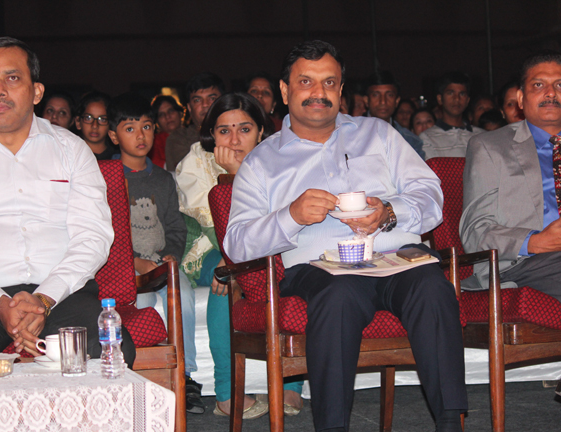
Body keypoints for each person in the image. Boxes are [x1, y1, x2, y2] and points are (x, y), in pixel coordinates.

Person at [224, 40, 466, 432]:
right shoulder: (262, 160)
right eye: (306, 81)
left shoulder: (379, 134)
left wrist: (389, 211)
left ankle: (451, 422)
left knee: (431, 285)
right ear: (285, 90)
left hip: (395, 256)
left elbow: (430, 195)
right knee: (339, 295)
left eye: (329, 82)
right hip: (319, 268)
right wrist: (291, 216)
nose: (318, 92)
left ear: (340, 89)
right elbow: (237, 243)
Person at [0, 37, 135, 366]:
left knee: (110, 350)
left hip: (62, 296)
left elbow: (92, 237)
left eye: (12, 78)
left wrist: (43, 298)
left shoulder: (72, 150)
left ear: (36, 92)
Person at [460, 50, 561, 426]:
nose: (550, 93)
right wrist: (534, 240)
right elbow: (474, 230)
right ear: (520, 98)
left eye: (560, 85)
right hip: (532, 260)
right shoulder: (489, 147)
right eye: (538, 85)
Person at [176, 92, 305, 418]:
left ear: (261, 131)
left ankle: (291, 384)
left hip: (270, 247)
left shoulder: (281, 158)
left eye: (244, 129)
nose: (234, 140)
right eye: (224, 131)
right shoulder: (196, 162)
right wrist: (234, 174)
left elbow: (285, 220)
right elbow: (215, 227)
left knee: (301, 271)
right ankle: (226, 393)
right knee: (226, 280)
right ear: (211, 134)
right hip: (208, 250)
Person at [106, 92, 204, 413]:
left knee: (182, 295)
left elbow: (175, 226)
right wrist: (133, 262)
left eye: (147, 127)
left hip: (161, 264)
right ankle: (141, 375)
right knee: (142, 303)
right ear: (114, 136)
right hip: (126, 268)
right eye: (130, 129)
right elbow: (104, 232)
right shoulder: (106, 177)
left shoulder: (162, 179)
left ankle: (185, 375)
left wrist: (171, 254)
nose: (141, 136)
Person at [165, 73, 224, 172]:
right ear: (189, 107)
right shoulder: (178, 138)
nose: (205, 104)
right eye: (197, 100)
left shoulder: (235, 134)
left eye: (212, 98)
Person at [420, 71, 484, 159]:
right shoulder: (427, 138)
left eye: (462, 94)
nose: (457, 99)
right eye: (450, 93)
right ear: (440, 99)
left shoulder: (481, 136)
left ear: (467, 100)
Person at [363, 71, 425, 158]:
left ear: (397, 101)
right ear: (366, 100)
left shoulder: (410, 141)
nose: (383, 101)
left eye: (390, 95)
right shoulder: (352, 135)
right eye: (376, 95)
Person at [75, 91, 118, 160]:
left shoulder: (118, 157)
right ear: (78, 122)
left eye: (102, 119)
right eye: (88, 118)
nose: (95, 126)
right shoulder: (70, 155)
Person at [150, 95, 183, 168]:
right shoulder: (153, 142)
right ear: (157, 122)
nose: (167, 116)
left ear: (180, 113)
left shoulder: (193, 135)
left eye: (171, 111)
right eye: (161, 115)